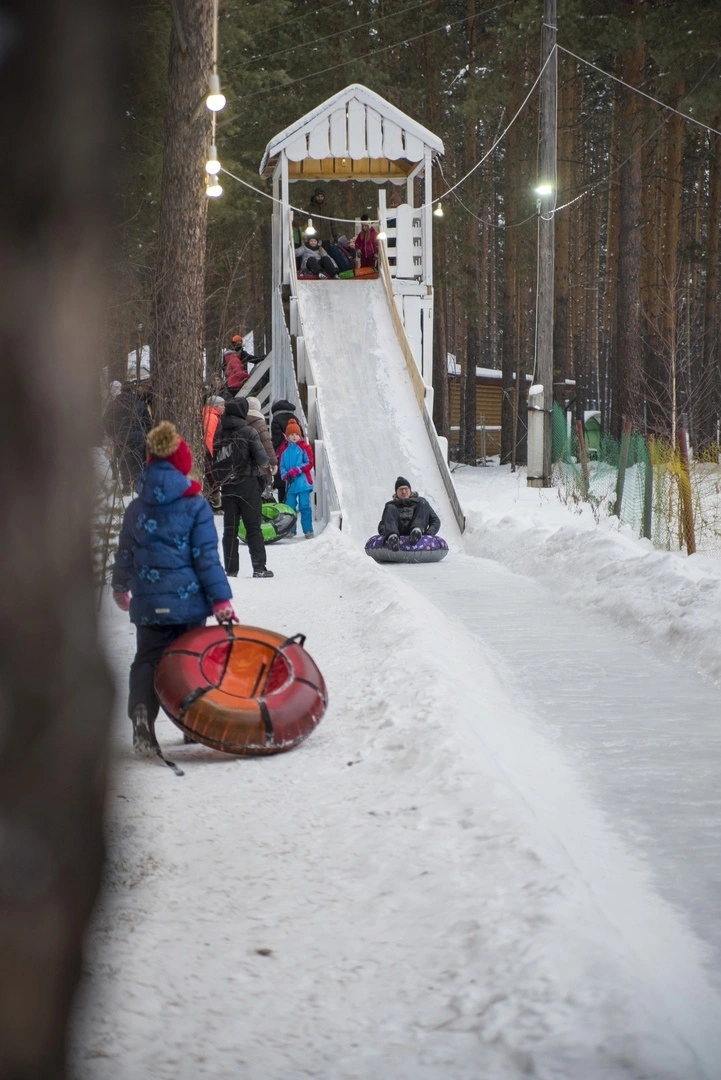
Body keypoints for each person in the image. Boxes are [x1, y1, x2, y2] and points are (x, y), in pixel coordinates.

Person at [111, 421, 237, 757]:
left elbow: (124, 553)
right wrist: (221, 599)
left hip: (150, 606)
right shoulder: (196, 506)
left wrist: (120, 587)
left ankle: (142, 715)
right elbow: (206, 559)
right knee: (190, 661)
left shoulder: (136, 508)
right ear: (183, 463)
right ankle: (190, 723)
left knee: (148, 660)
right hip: (189, 605)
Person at [213, 398, 273, 578]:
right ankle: (259, 567)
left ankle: (231, 569)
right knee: (253, 527)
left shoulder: (219, 433)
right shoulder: (249, 431)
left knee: (230, 529)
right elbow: (263, 459)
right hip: (248, 483)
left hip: (228, 485)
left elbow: (213, 459)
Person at [103, 383, 152, 492]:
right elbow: (147, 422)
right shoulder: (139, 403)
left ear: (121, 391)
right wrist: (145, 434)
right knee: (137, 460)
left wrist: (113, 434)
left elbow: (106, 421)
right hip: (138, 436)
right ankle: (136, 483)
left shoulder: (115, 404)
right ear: (132, 390)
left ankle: (126, 484)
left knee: (124, 459)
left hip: (121, 437)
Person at [378, 476, 440, 551]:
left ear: (410, 490)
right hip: (398, 530)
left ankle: (416, 533)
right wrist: (385, 533)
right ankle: (393, 538)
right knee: (390, 507)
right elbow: (383, 524)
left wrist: (428, 533)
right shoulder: (391, 505)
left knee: (423, 503)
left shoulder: (420, 502)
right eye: (401, 489)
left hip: (416, 527)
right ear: (396, 492)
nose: (404, 492)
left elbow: (435, 520)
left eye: (406, 489)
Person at [278, 418, 314, 538]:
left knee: (304, 506)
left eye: (296, 434)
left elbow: (309, 462)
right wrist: (284, 474)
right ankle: (291, 530)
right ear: (287, 436)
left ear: (300, 435)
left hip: (303, 482)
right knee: (290, 507)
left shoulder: (304, 447)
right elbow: (281, 464)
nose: (294, 437)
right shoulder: (284, 449)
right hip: (291, 484)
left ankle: (308, 530)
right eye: (291, 434)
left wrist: (298, 469)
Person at [243, 396, 278, 496]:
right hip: (259, 463)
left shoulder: (241, 420)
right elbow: (267, 442)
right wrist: (273, 462)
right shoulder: (259, 422)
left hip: (243, 464)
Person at [270, 398, 298, 501]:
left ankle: (283, 502)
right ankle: (292, 503)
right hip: (296, 452)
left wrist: (271, 453)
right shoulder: (294, 417)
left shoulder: (276, 419)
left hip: (283, 453)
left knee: (282, 480)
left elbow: (276, 439)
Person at [202, 396, 225, 509]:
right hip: (211, 452)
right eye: (221, 405)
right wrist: (210, 453)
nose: (223, 407)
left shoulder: (213, 415)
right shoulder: (211, 416)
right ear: (215, 406)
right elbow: (209, 436)